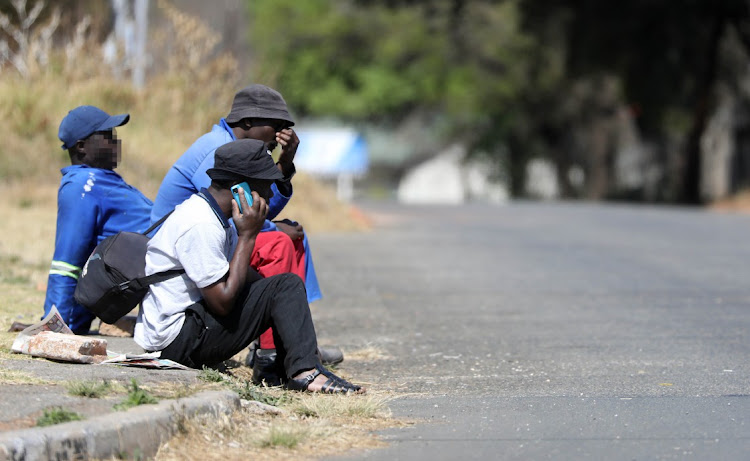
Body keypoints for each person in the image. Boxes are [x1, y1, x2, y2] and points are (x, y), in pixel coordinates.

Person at [134, 139, 363, 394]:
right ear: (239, 189)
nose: (268, 195)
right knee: (286, 286)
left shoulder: (214, 215)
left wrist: (275, 299)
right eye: (264, 187)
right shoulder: (201, 225)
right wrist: (248, 236)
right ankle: (305, 374)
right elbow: (222, 302)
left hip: (191, 325)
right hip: (175, 342)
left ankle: (298, 367)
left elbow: (247, 280)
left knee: (285, 286)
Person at [149, 84, 339, 383]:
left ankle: (295, 342)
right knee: (277, 243)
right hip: (187, 263)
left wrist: (285, 164)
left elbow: (255, 206)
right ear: (248, 123)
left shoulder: (241, 150)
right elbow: (235, 208)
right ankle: (269, 353)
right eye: (276, 126)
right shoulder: (219, 151)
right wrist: (270, 229)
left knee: (289, 247)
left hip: (213, 245)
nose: (281, 135)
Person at [42, 105, 153, 334]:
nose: (115, 143)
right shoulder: (82, 186)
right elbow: (67, 263)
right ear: (82, 146)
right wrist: (54, 326)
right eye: (107, 137)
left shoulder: (102, 179)